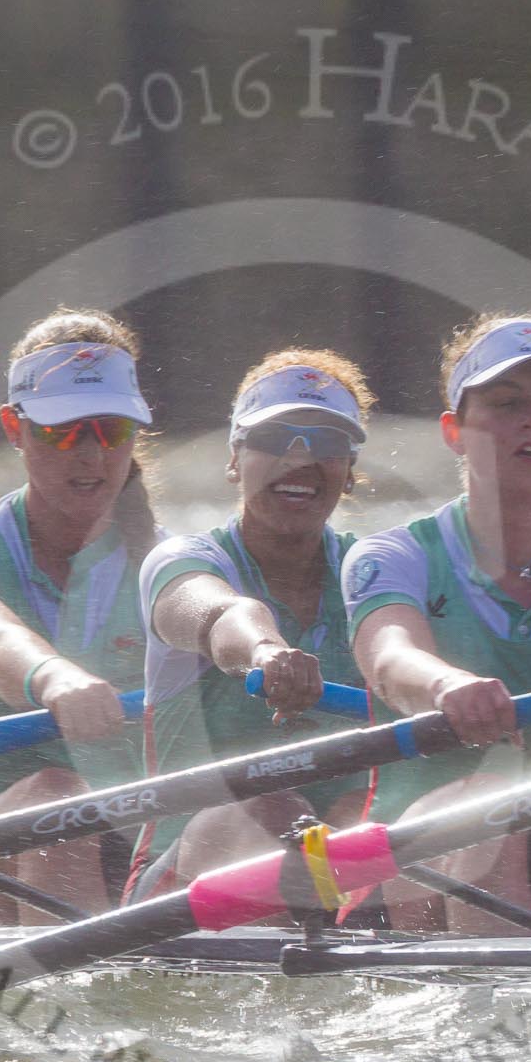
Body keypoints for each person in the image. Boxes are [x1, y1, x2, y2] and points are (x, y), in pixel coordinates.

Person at [343, 314, 531, 932]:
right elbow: (389, 656)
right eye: (506, 404)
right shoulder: (392, 556)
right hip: (414, 843)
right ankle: (511, 1013)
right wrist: (444, 686)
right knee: (490, 792)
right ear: (454, 432)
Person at [0, 309, 161, 921]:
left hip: (132, 840)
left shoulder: (168, 564)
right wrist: (53, 678)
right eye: (64, 431)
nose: (91, 454)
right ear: (15, 429)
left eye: (110, 430)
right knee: (58, 799)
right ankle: (87, 1011)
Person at [128, 350, 373, 897]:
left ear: (349, 471)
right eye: (275, 439)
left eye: (327, 444)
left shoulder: (377, 574)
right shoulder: (181, 562)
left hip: (343, 861)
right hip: (181, 878)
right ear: (234, 458)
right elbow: (222, 612)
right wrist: (264, 652)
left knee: (373, 814)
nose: (300, 459)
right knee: (273, 807)